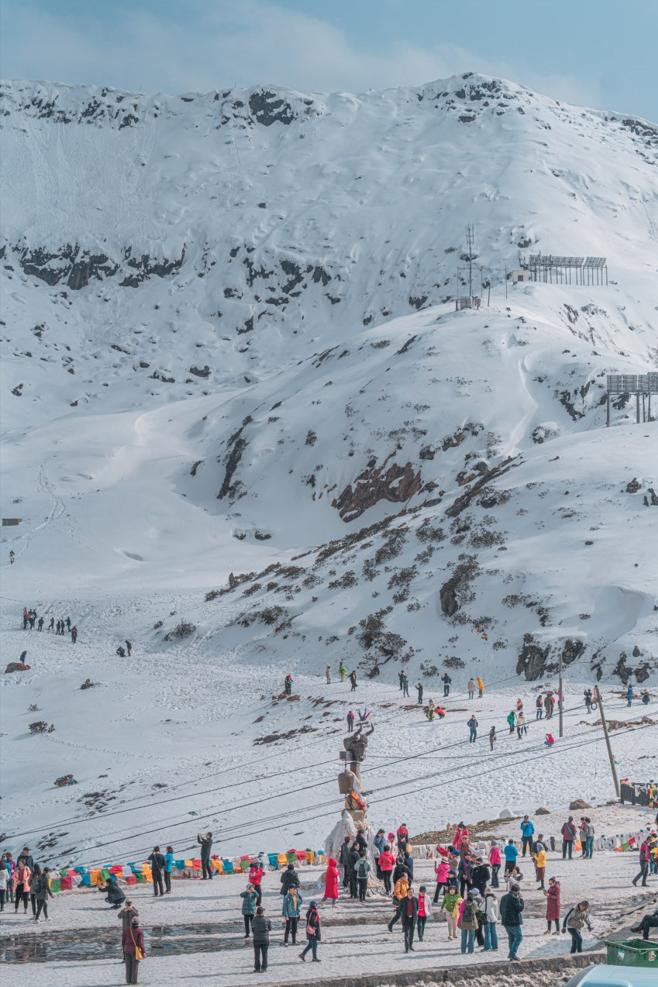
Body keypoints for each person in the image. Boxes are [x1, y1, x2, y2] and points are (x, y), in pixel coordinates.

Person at [500, 883, 524, 961]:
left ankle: (511, 955)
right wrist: (521, 899)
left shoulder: (504, 897)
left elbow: (501, 909)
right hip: (513, 921)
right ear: (516, 891)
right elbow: (519, 908)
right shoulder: (514, 898)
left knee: (511, 938)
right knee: (519, 937)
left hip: (505, 921)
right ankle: (512, 954)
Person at [122, 916, 145, 984]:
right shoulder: (140, 931)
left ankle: (128, 981)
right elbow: (141, 943)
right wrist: (143, 952)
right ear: (138, 923)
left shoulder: (126, 930)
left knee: (128, 966)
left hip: (126, 949)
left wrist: (124, 950)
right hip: (135, 951)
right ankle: (134, 982)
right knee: (134, 967)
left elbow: (123, 942)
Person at [252, 905, 271, 971]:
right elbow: (270, 928)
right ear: (262, 912)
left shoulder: (254, 919)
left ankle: (257, 968)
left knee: (257, 954)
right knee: (264, 954)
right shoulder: (267, 919)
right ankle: (264, 967)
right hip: (265, 939)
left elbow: (253, 929)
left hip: (256, 939)